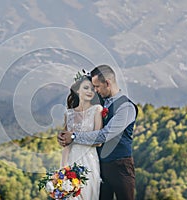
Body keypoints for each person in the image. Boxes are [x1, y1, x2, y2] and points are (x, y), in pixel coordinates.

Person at [58, 64, 138, 200]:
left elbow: (104, 135)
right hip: (99, 167)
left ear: (107, 83)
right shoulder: (100, 102)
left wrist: (73, 136)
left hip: (120, 167)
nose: (95, 90)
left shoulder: (126, 107)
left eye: (97, 87)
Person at [61, 74, 103, 199]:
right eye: (86, 88)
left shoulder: (97, 110)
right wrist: (63, 169)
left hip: (89, 161)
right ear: (77, 90)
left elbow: (98, 140)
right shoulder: (69, 114)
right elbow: (66, 145)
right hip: (71, 160)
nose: (90, 91)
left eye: (92, 89)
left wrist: (74, 136)